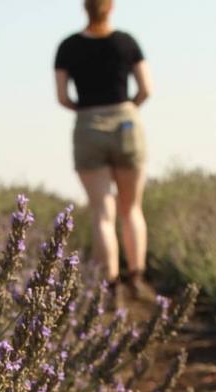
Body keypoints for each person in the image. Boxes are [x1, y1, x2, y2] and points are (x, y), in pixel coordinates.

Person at [54, 0, 154, 305]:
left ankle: (110, 287)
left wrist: (88, 113)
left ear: (85, 8)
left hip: (88, 125)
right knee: (131, 208)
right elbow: (146, 88)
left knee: (102, 212)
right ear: (110, 8)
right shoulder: (126, 42)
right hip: (125, 123)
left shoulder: (68, 47)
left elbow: (62, 97)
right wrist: (126, 110)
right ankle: (136, 278)